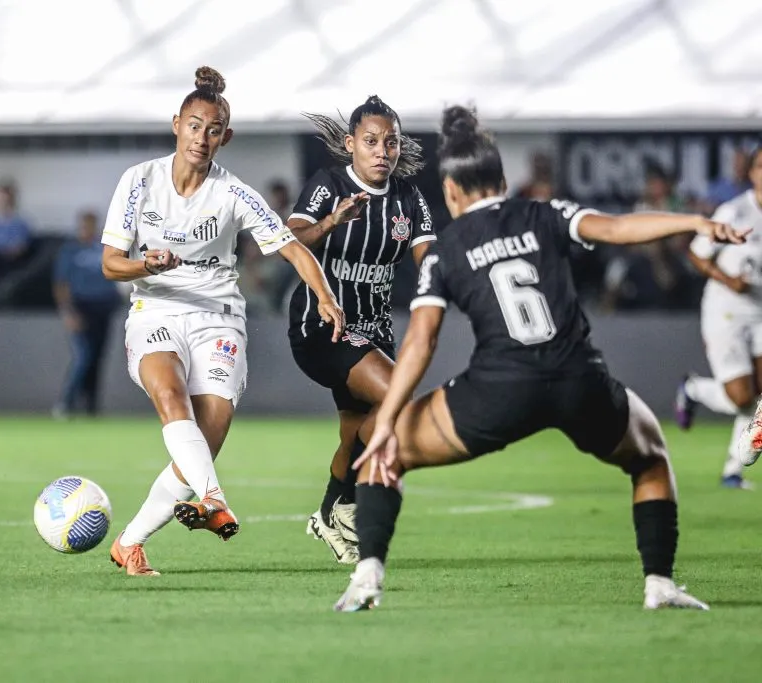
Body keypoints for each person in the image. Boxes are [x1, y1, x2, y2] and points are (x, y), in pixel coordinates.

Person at [333, 105, 747, 612]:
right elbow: (619, 229)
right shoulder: (546, 214)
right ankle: (659, 585)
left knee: (386, 447)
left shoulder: (446, 249)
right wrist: (696, 221)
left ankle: (367, 577)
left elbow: (421, 342)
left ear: (451, 192)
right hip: (579, 379)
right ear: (504, 181)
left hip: (498, 391)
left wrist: (387, 420)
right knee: (651, 458)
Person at [100, 67, 345, 576]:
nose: (201, 138)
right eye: (194, 125)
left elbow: (291, 248)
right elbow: (110, 263)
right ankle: (214, 500)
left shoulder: (235, 194)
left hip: (219, 320)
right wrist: (148, 265)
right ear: (176, 125)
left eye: (213, 130)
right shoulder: (139, 180)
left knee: (201, 446)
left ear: (225, 138)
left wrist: (324, 295)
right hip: (156, 311)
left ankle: (129, 542)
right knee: (171, 398)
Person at [286, 96, 434, 564]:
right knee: (398, 396)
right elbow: (288, 241)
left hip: (375, 333)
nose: (382, 151)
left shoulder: (409, 198)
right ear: (351, 144)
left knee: (356, 435)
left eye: (390, 142)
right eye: (371, 141)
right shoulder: (328, 186)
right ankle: (343, 508)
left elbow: (429, 259)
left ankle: (331, 511)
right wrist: (332, 221)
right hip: (321, 328)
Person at [677, 146, 762, 489]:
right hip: (726, 309)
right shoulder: (735, 210)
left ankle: (734, 469)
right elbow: (697, 253)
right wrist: (730, 281)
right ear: (752, 173)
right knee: (743, 397)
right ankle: (694, 389)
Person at [52, 210, 122, 418]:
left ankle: (91, 405)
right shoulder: (71, 250)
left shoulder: (103, 249)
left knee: (98, 358)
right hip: (80, 308)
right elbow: (61, 284)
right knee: (83, 356)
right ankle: (66, 401)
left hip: (103, 308)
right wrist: (67, 312)